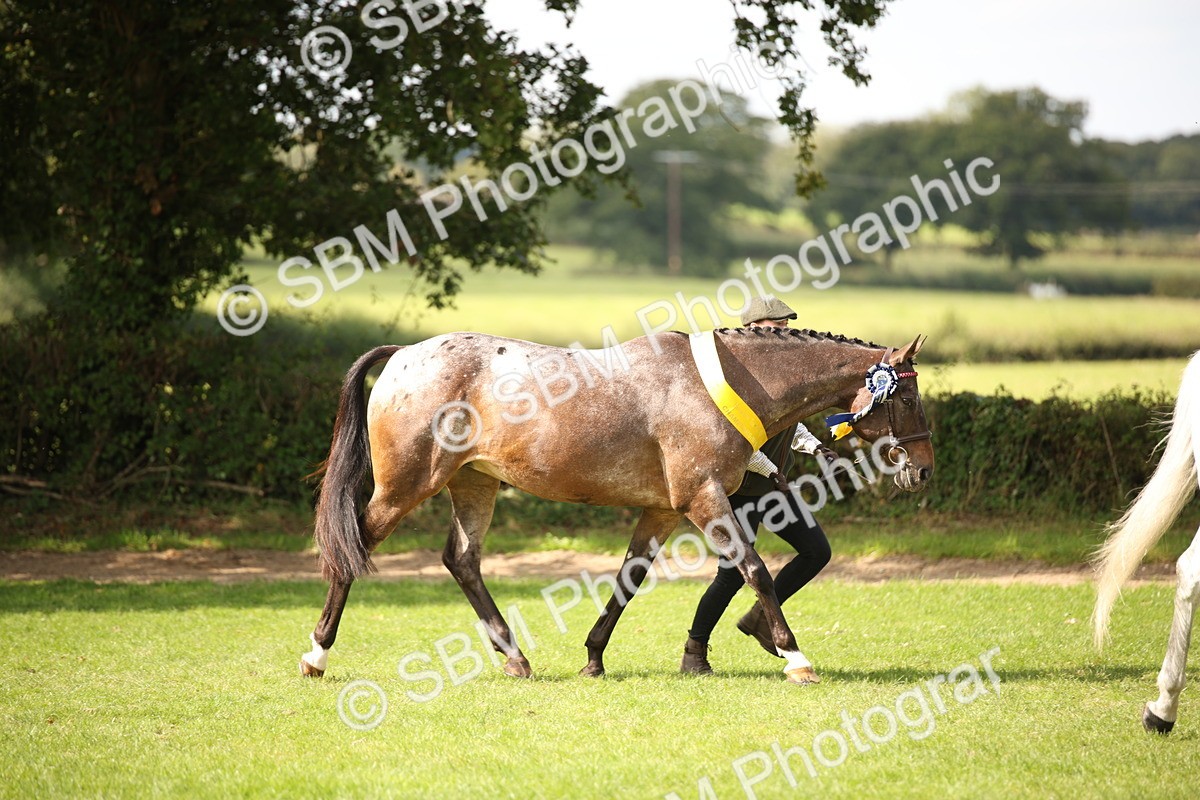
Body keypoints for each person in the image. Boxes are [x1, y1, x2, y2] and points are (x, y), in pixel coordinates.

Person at [681, 295, 835, 677]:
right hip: (737, 494)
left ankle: (760, 618)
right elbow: (736, 442)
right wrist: (771, 471)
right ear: (752, 329)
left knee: (816, 551)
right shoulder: (734, 378)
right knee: (732, 574)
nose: (785, 332)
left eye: (786, 326)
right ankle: (694, 651)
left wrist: (816, 447)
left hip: (772, 489)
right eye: (776, 326)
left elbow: (787, 423)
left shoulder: (776, 375)